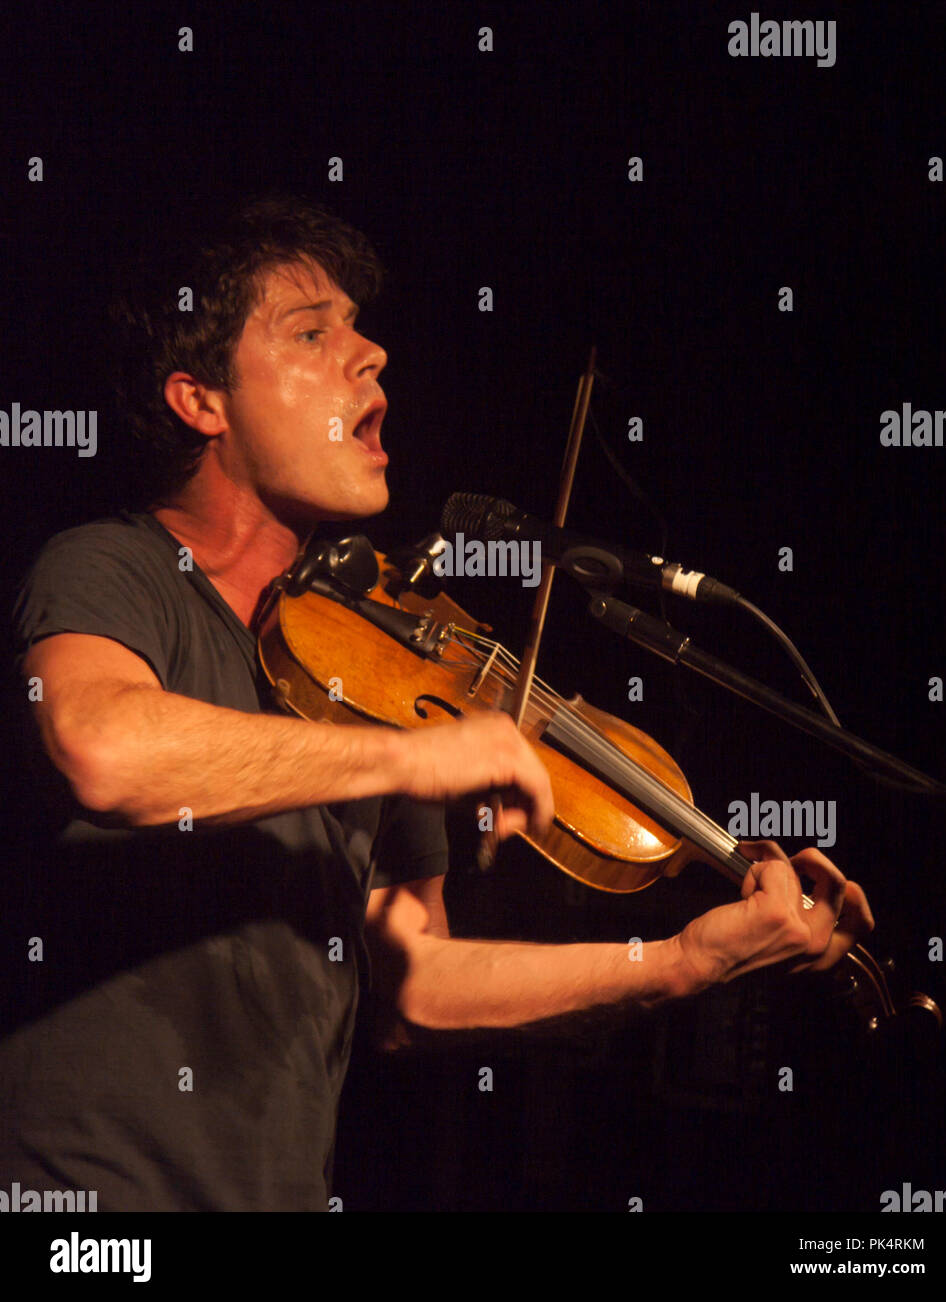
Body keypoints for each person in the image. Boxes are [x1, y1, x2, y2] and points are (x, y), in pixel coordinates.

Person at [2, 195, 872, 1211]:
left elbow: (418, 987)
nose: (368, 354)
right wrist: (413, 759)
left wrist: (679, 962)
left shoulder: (370, 670)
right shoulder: (114, 568)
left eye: (361, 328)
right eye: (313, 331)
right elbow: (103, 747)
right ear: (201, 400)